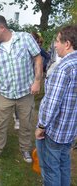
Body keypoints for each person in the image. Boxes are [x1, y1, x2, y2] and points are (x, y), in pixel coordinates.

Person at [0, 15, 42, 163]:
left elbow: (38, 58)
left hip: (26, 91)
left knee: (25, 123)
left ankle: (25, 149)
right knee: (0, 123)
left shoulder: (24, 38)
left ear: (2, 28)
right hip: (5, 93)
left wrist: (37, 81)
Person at [35, 25, 77, 186]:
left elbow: (53, 103)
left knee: (51, 169)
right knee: (64, 165)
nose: (54, 45)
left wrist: (41, 125)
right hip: (71, 130)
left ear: (67, 44)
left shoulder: (64, 68)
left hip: (55, 131)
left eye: (58, 41)